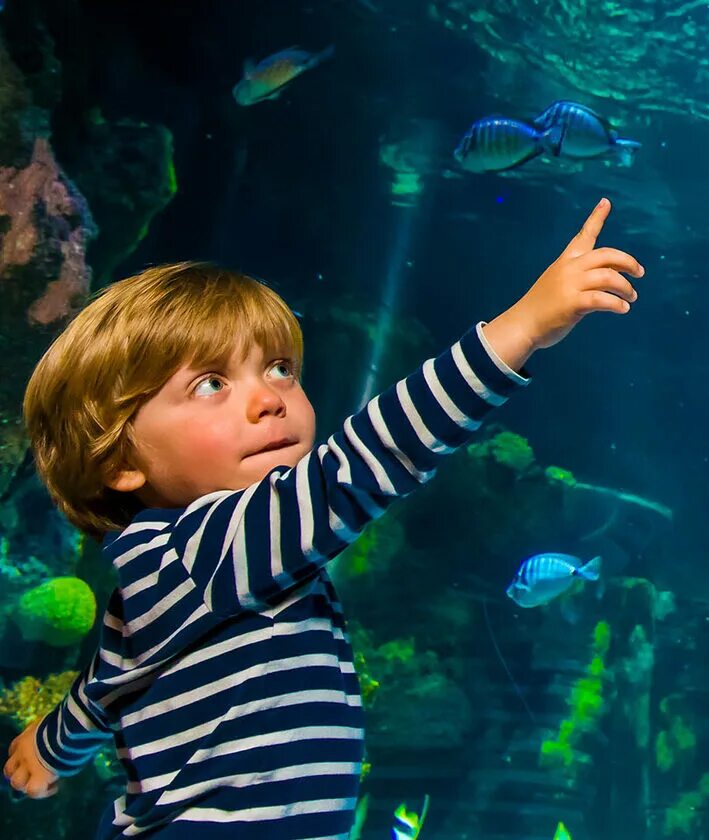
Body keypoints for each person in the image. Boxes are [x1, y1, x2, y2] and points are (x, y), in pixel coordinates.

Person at [3, 198, 643, 837]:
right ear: (119, 462)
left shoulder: (158, 577)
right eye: (210, 384)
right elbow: (363, 463)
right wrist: (520, 328)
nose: (267, 399)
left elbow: (103, 687)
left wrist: (49, 747)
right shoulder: (214, 544)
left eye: (280, 369)